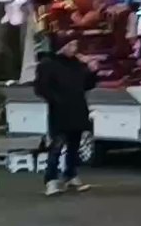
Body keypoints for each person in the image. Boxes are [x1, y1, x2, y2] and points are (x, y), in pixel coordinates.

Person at [33, 38, 97, 196]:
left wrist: (92, 72)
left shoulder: (76, 64)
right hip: (60, 111)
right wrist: (57, 100)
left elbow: (87, 85)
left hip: (77, 108)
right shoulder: (48, 64)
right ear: (62, 46)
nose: (74, 48)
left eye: (75, 44)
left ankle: (70, 175)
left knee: (74, 145)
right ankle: (51, 179)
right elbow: (41, 87)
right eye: (71, 45)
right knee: (56, 146)